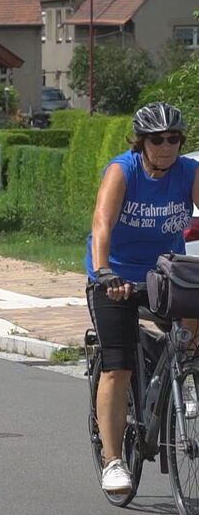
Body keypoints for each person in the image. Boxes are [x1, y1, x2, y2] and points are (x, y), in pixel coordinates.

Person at [87, 101, 199, 493]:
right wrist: (103, 272)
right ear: (141, 142)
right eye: (158, 139)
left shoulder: (189, 172)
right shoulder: (123, 170)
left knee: (193, 334)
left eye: (174, 139)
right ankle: (113, 460)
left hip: (164, 273)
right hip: (116, 276)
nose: (167, 146)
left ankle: (184, 377)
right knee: (118, 367)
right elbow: (101, 224)